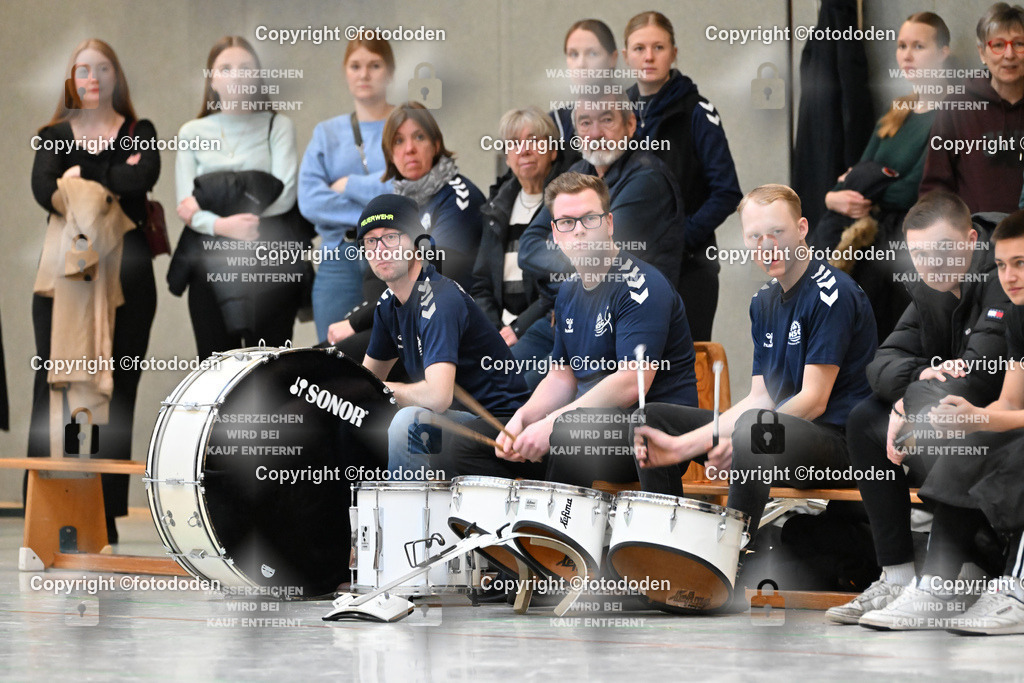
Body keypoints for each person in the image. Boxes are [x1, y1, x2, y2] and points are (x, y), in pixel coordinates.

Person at [634, 184, 877, 539]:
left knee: (752, 429)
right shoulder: (763, 301)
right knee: (652, 419)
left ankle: (729, 557)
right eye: (755, 236)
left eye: (777, 232)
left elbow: (815, 399)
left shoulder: (832, 293)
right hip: (771, 435)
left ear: (803, 228)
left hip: (838, 447)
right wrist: (682, 445)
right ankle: (666, 546)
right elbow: (760, 397)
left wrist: (748, 433)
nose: (767, 246)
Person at [438, 172, 697, 487]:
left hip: (647, 437)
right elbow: (562, 376)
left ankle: (561, 530)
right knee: (469, 444)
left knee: (568, 436)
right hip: (578, 432)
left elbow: (632, 384)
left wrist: (552, 424)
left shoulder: (640, 285)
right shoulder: (568, 290)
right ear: (555, 234)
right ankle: (514, 531)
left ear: (609, 224)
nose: (579, 232)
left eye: (589, 219)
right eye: (567, 223)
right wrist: (525, 418)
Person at [825, 191, 1009, 626]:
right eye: (920, 254)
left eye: (943, 251)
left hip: (1000, 422)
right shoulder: (931, 284)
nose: (931, 265)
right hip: (948, 418)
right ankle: (897, 576)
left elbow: (979, 380)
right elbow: (881, 363)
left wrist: (910, 402)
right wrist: (922, 376)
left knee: (955, 419)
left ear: (970, 240)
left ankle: (939, 587)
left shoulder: (1004, 273)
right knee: (865, 418)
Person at [29, 39, 159, 542]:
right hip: (63, 279)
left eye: (103, 69)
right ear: (71, 79)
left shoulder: (139, 132)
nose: (93, 78)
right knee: (57, 388)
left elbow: (143, 176)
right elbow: (46, 190)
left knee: (116, 391)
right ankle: (51, 518)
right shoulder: (51, 135)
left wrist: (84, 173)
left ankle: (102, 520)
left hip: (129, 274)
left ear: (116, 78)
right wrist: (113, 174)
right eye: (83, 70)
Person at [357, 194, 529, 475]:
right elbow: (363, 382)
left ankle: (410, 519)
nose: (381, 249)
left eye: (390, 237)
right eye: (370, 241)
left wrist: (382, 390)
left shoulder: (439, 298)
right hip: (456, 423)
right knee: (357, 417)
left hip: (500, 430)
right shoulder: (388, 303)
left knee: (409, 423)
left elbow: (438, 397)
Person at [816, 13, 951, 341]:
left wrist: (868, 185)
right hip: (859, 231)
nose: (907, 55)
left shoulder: (949, 114)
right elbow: (852, 178)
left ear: (943, 52)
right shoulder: (896, 112)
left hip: (899, 241)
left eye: (919, 46)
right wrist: (832, 196)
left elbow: (912, 189)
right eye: (902, 46)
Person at [173, 36, 305, 358]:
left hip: (270, 261)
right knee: (216, 367)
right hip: (209, 265)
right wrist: (224, 226)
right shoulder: (191, 132)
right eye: (226, 68)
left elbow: (286, 194)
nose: (236, 75)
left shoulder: (278, 125)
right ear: (212, 80)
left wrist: (212, 205)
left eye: (245, 68)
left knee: (271, 367)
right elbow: (186, 206)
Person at [326, 103, 485, 355]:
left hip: (446, 324)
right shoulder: (398, 204)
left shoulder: (458, 196)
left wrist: (357, 321)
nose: (409, 149)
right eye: (398, 141)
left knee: (337, 362)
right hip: (404, 317)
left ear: (435, 144)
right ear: (389, 154)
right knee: (319, 356)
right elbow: (377, 274)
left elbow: (434, 274)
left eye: (419, 137)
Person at [623, 10, 742, 341]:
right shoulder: (616, 114)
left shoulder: (698, 112)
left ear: (673, 53)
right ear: (625, 55)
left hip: (689, 270)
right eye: (639, 48)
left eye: (658, 47)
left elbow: (727, 192)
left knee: (688, 374)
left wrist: (681, 237)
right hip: (631, 270)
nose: (649, 56)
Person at [519, 90, 685, 297]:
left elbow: (599, 260)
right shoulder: (578, 171)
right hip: (581, 305)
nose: (595, 133)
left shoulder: (648, 179)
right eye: (585, 123)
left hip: (630, 313)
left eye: (606, 120)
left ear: (630, 124)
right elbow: (527, 248)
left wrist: (554, 268)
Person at [299, 37, 395, 342]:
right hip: (338, 258)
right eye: (356, 66)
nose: (364, 74)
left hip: (393, 254)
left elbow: (407, 188)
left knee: (392, 354)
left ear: (390, 71)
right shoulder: (326, 132)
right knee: (332, 360)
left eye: (374, 65)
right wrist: (377, 205)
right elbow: (310, 200)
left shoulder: (406, 124)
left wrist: (348, 185)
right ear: (346, 72)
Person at [472, 107, 562, 389]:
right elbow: (481, 284)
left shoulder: (565, 206)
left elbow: (561, 284)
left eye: (534, 141)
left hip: (544, 327)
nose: (524, 150)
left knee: (507, 386)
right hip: (500, 331)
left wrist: (518, 328)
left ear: (553, 151)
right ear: (507, 156)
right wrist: (495, 330)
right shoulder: (496, 209)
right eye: (514, 143)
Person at [920, 3, 1024, 214]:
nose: (1009, 54)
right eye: (998, 45)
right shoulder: (956, 107)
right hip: (977, 236)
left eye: (1019, 44)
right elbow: (935, 187)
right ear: (982, 53)